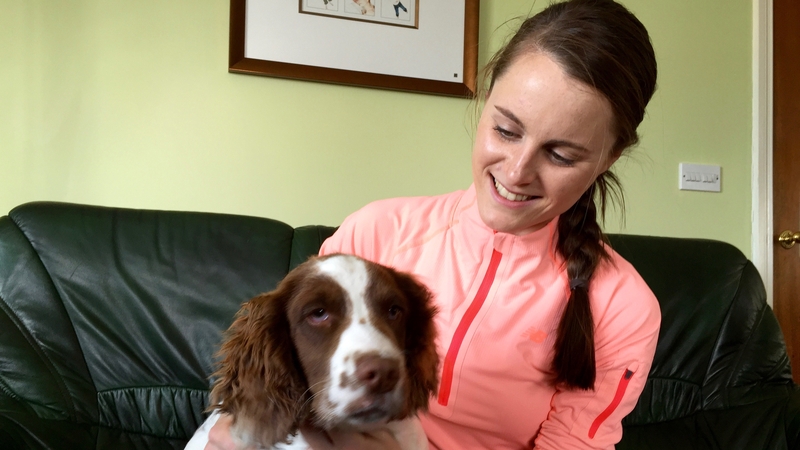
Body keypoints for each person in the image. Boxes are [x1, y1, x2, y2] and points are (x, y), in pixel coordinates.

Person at [204, 0, 660, 448]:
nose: (518, 171)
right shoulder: (377, 232)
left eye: (561, 155)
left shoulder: (622, 307)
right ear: (485, 99)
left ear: (608, 158)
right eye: (506, 130)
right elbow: (278, 391)